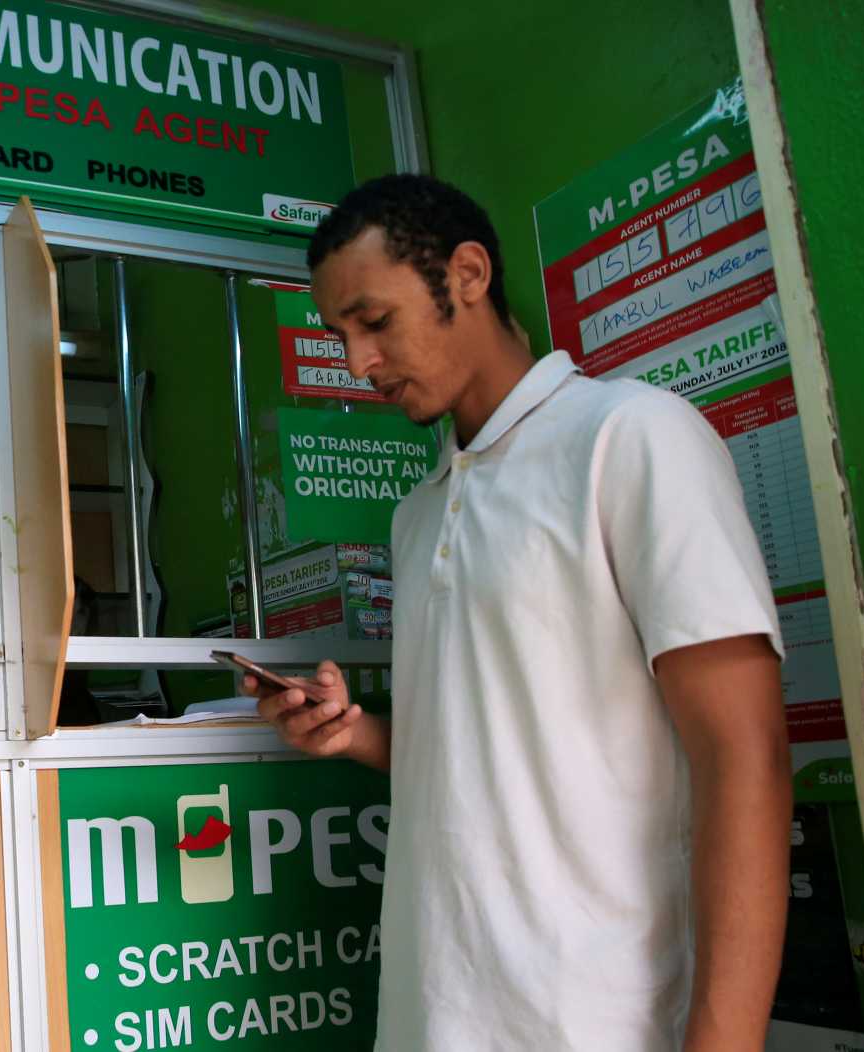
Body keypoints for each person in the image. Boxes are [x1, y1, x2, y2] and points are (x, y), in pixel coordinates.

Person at [248, 174, 791, 1052]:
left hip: (596, 1018)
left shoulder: (633, 437)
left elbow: (747, 758)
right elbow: (482, 760)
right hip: (433, 1012)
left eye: (375, 322)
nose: (357, 364)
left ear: (467, 274)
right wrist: (353, 735)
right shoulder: (418, 511)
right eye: (338, 335)